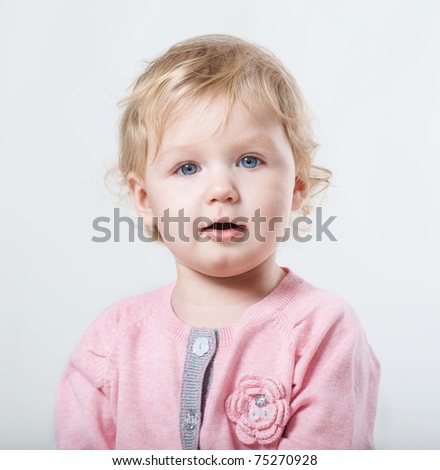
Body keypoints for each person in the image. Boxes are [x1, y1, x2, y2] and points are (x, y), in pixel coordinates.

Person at [54, 34, 380, 450]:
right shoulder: (113, 340)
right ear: (144, 199)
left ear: (297, 185)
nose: (222, 189)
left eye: (249, 161)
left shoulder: (323, 331)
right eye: (187, 167)